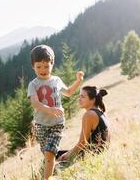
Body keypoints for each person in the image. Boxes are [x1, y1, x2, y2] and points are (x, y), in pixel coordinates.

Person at [27, 44, 84, 180]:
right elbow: (35, 103)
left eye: (46, 66)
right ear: (33, 66)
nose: (43, 70)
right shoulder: (33, 84)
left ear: (52, 64)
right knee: (47, 154)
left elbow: (69, 92)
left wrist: (78, 81)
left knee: (50, 153)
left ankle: (47, 178)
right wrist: (50, 110)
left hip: (57, 124)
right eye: (39, 67)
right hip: (41, 125)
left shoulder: (56, 80)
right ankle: (56, 169)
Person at [57, 86, 110, 161]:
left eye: (82, 97)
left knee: (54, 158)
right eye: (79, 97)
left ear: (93, 100)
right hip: (98, 153)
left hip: (91, 156)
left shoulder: (89, 114)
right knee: (57, 154)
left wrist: (65, 156)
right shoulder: (100, 113)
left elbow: (82, 142)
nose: (79, 100)